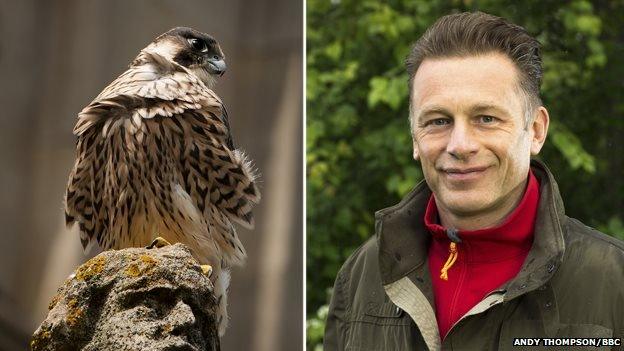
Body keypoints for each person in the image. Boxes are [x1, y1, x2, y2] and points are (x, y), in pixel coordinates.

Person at [324, 11, 624, 351]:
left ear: (536, 130)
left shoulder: (613, 282)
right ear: (414, 138)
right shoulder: (363, 276)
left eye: (486, 118)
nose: (460, 145)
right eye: (438, 121)